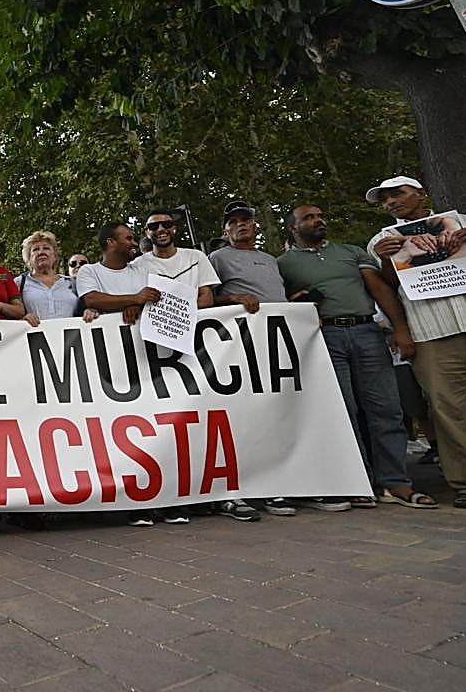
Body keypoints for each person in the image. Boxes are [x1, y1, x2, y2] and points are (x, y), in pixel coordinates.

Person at [277, 204, 436, 511]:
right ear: (293, 228)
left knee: (387, 409)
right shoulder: (283, 264)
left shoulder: (351, 252)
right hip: (323, 339)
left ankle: (396, 481)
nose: (318, 220)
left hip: (367, 332)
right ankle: (358, 479)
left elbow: (380, 290)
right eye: (309, 218)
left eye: (320, 215)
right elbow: (277, 302)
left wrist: (400, 329)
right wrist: (293, 302)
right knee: (343, 412)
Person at [365, 177, 466, 510]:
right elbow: (391, 286)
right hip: (432, 332)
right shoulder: (382, 240)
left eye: (398, 194)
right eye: (385, 199)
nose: (391, 202)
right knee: (448, 412)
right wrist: (387, 259)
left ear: (421, 194)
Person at [77, 222, 189, 527]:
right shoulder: (90, 272)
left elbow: (154, 297)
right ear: (111, 242)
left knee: (157, 427)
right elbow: (92, 300)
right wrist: (133, 300)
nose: (132, 242)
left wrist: (136, 304)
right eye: (127, 237)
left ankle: (166, 500)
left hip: (148, 358)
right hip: (109, 365)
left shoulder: (141, 269)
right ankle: (136, 503)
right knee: (121, 431)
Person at [207, 200, 291, 519]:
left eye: (247, 220)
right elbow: (207, 298)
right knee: (246, 412)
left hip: (282, 339)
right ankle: (246, 487)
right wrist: (235, 298)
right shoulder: (217, 258)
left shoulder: (271, 259)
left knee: (278, 410)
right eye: (234, 222)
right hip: (242, 341)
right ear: (226, 230)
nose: (242, 225)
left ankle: (278, 486)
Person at [134, 209, 218, 308]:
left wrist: (179, 317)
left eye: (167, 224)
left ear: (174, 228)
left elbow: (207, 298)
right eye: (153, 226)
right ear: (147, 232)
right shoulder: (137, 265)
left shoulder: (196, 257)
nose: (161, 229)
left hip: (197, 322)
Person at [16, 230, 80, 323]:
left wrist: (90, 311)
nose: (41, 252)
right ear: (28, 258)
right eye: (35, 249)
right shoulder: (18, 283)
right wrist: (21, 320)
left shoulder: (72, 283)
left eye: (46, 248)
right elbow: (9, 316)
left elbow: (86, 309)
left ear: (55, 256)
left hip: (71, 337)